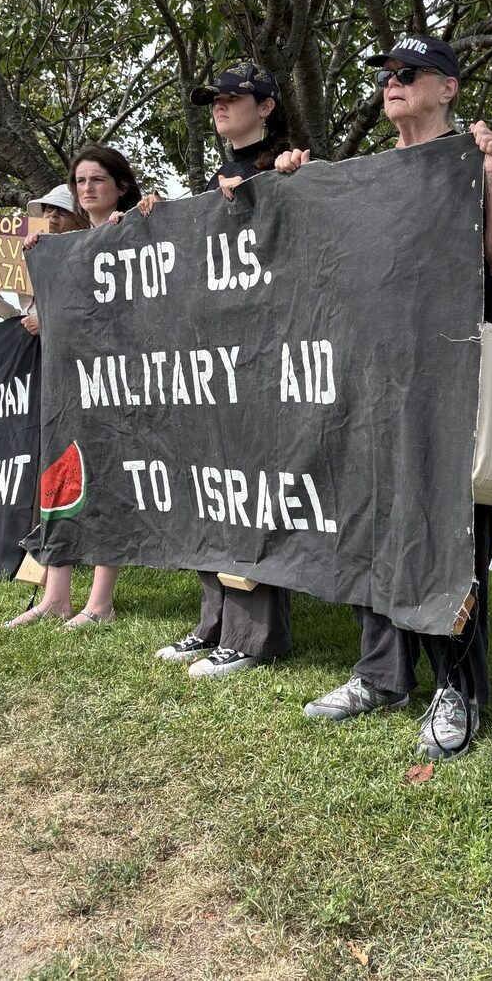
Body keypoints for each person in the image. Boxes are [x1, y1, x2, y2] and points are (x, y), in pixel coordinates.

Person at [276, 34, 492, 760]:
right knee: (372, 527)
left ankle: (456, 691)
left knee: (450, 538)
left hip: (450, 385)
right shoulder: (369, 176)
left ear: (447, 88)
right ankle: (381, 674)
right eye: (385, 74)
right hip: (372, 385)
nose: (392, 83)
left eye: (409, 74)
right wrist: (295, 182)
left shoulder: (466, 164)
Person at [152, 61, 294, 679]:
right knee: (214, 491)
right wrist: (157, 214)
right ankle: (212, 623)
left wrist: (289, 181)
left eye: (233, 98)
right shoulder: (212, 178)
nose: (220, 106)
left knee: (255, 496)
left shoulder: (293, 162)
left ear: (266, 105)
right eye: (214, 99)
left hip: (269, 362)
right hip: (216, 365)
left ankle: (252, 635)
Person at [5, 146, 142, 629]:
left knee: (107, 481)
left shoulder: (136, 229)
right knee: (59, 479)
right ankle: (55, 595)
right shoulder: (60, 248)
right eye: (80, 181)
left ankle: (100, 601)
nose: (87, 190)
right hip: (67, 382)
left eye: (97, 179)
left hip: (115, 379)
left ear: (120, 184)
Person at [0, 185, 87, 323]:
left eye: (64, 210)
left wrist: (47, 324)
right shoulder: (26, 254)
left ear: (80, 222)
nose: (53, 214)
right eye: (48, 208)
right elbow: (23, 320)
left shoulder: (87, 258)